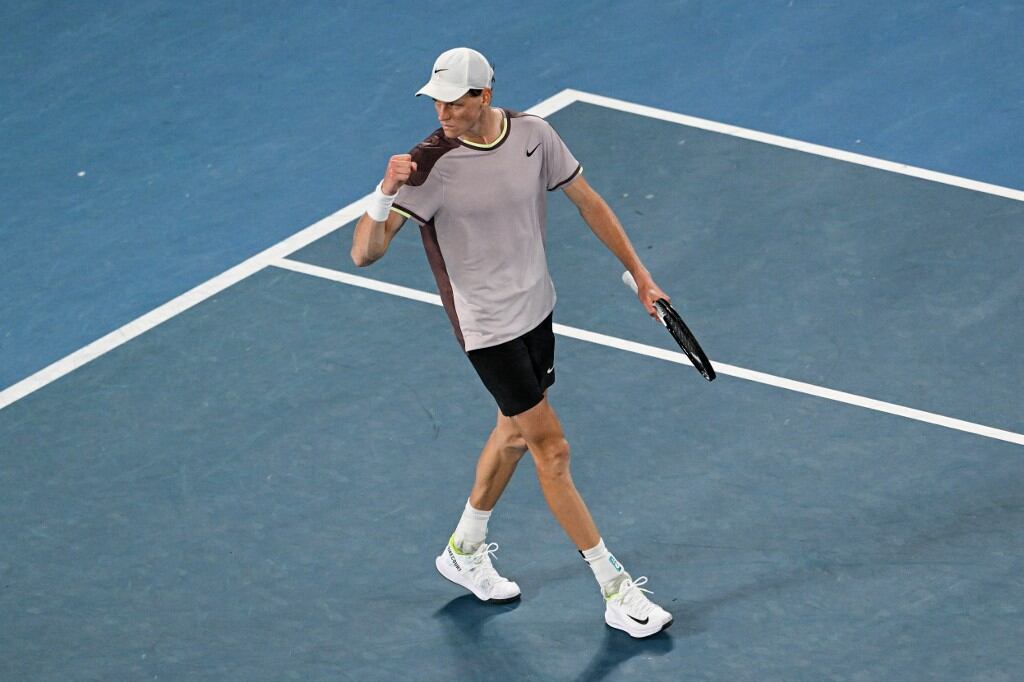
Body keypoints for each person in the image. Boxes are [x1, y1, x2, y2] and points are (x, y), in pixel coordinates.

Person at [351, 47, 673, 638]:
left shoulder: (534, 136)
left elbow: (588, 201)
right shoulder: (427, 166)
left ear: (484, 97)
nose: (443, 110)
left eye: (455, 99)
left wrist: (640, 276)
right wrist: (383, 189)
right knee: (551, 448)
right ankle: (614, 588)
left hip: (536, 309)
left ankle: (464, 550)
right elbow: (364, 254)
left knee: (513, 433)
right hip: (487, 328)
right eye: (437, 100)